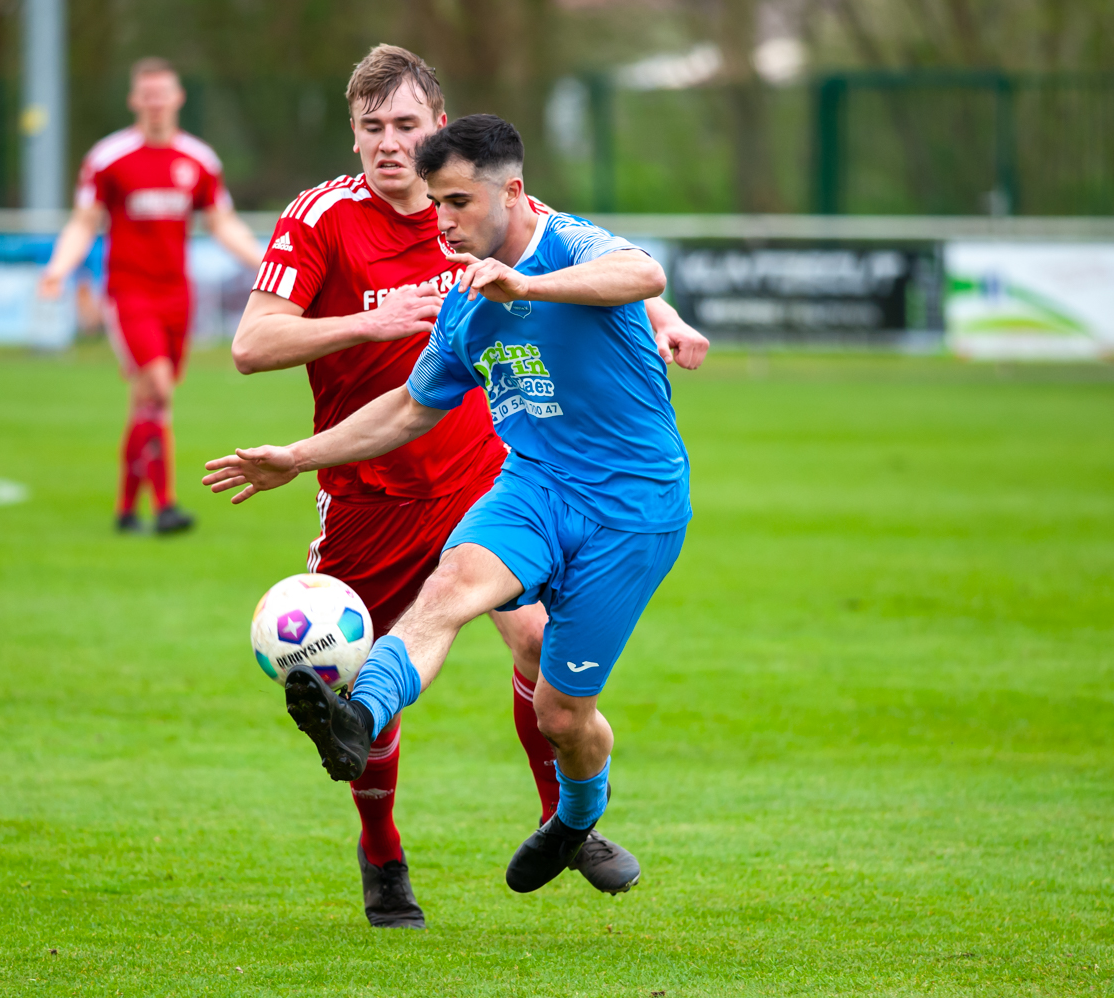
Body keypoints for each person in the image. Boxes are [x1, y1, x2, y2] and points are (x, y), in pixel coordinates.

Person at [204, 113, 709, 896]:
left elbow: (644, 275)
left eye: (458, 204)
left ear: (512, 192)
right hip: (531, 487)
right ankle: (358, 719)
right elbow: (408, 410)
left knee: (563, 717)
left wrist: (529, 286)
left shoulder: (568, 247)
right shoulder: (464, 306)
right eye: (436, 205)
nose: (442, 222)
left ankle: (577, 816)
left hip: (631, 511)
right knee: (447, 592)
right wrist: (294, 458)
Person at [41, 57, 263, 535]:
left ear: (177, 98)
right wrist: (58, 268)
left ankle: (126, 511)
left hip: (176, 296)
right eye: (147, 95)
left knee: (149, 401)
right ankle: (165, 506)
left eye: (163, 94)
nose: (156, 103)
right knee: (157, 387)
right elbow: (85, 222)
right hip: (129, 294)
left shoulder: (198, 160)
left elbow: (221, 221)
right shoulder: (109, 158)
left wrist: (262, 261)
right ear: (134, 100)